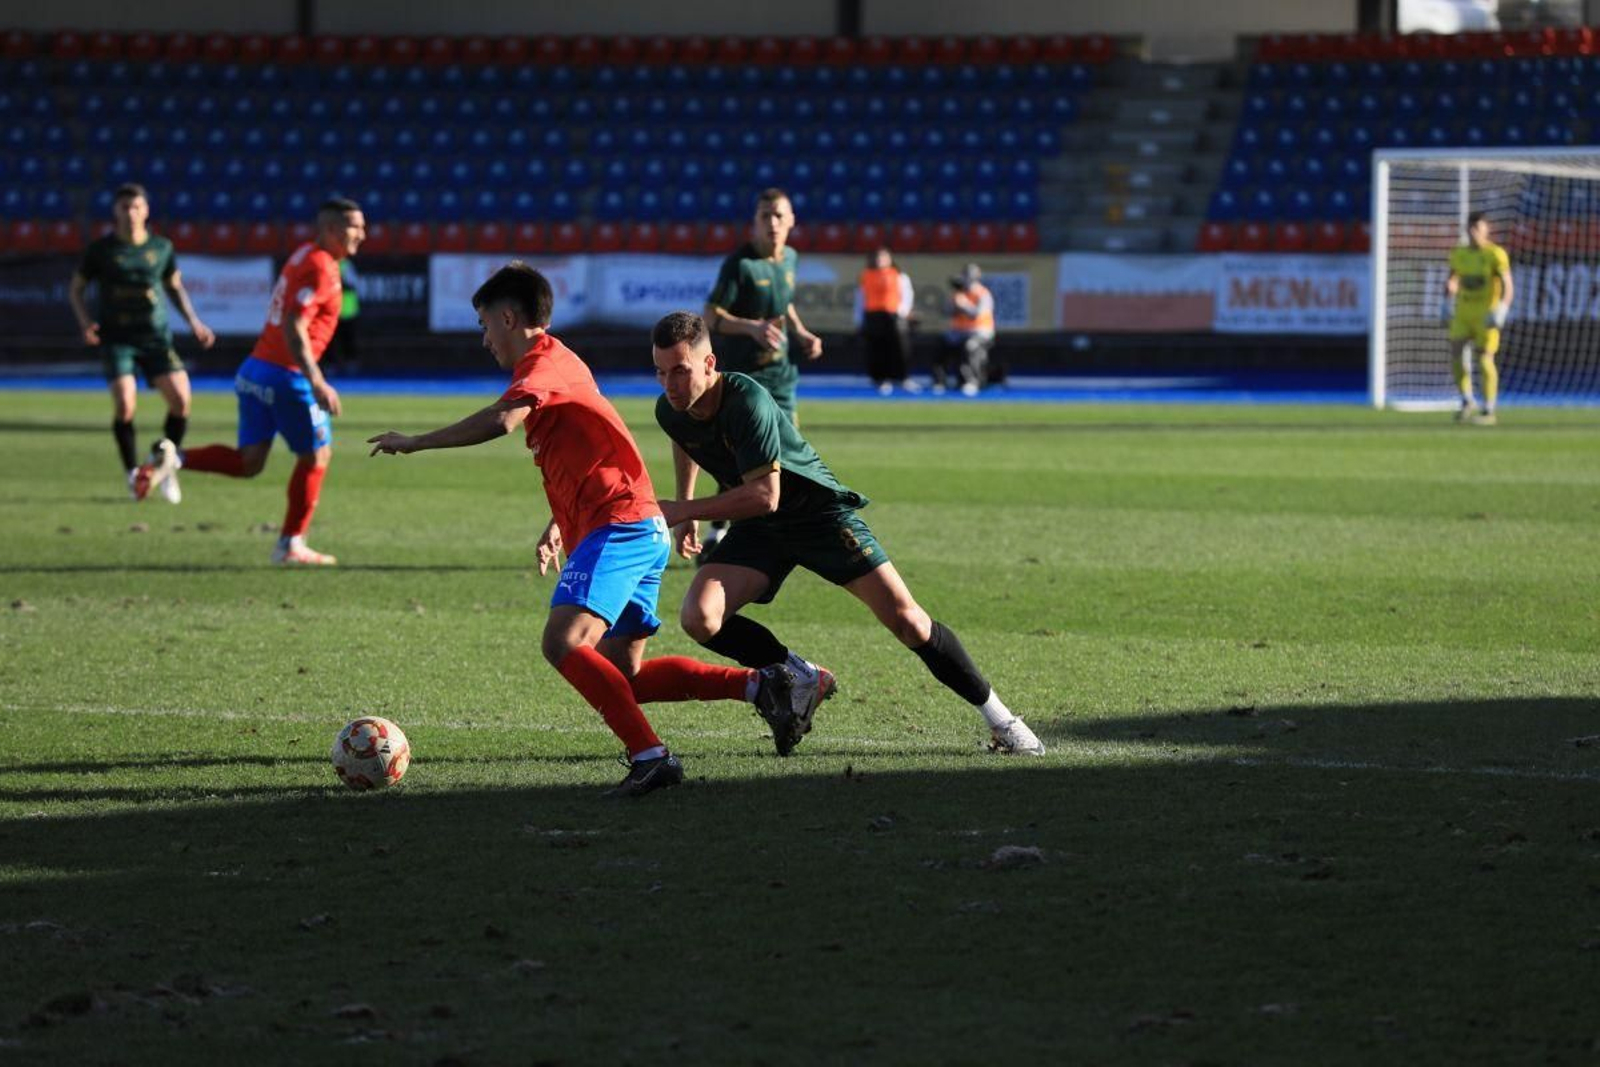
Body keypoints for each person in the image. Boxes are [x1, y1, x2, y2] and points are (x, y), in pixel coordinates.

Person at [366, 264, 811, 797]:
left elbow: (502, 420)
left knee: (563, 641)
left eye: (486, 325)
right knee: (623, 678)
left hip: (620, 526)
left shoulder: (544, 361)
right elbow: (593, 443)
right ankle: (762, 685)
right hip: (632, 525)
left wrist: (417, 442)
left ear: (509, 317)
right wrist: (559, 522)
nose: (485, 339)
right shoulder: (556, 366)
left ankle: (651, 756)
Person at [651, 311, 1046, 757]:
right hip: (763, 528)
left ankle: (1003, 721)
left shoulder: (747, 401)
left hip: (817, 515)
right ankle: (801, 675)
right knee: (699, 618)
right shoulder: (671, 408)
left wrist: (684, 508)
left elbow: (765, 495)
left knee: (909, 621)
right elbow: (685, 439)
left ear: (709, 363)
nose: (670, 384)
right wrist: (687, 509)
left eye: (681, 371)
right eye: (661, 372)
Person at [137, 198, 365, 565]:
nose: (363, 235)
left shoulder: (304, 254)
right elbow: (294, 324)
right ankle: (290, 544)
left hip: (255, 370)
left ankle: (173, 458)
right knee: (316, 455)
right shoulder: (320, 266)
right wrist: (317, 380)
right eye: (355, 227)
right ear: (331, 230)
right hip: (286, 377)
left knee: (250, 462)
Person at [68, 182, 216, 502]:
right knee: (125, 404)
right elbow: (76, 288)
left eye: (136, 207)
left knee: (181, 400)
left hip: (155, 338)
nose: (131, 213)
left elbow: (174, 287)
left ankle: (163, 466)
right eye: (124, 207)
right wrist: (85, 322)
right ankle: (132, 473)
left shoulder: (161, 248)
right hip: (117, 337)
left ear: (146, 211)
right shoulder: (101, 250)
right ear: (115, 211)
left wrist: (194, 322)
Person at [700, 188, 824, 559]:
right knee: (742, 462)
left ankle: (782, 533)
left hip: (782, 375)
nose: (772, 223)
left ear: (791, 221)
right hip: (745, 377)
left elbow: (784, 303)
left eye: (778, 215)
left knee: (790, 454)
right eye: (764, 216)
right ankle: (717, 531)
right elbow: (711, 316)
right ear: (754, 222)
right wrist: (751, 328)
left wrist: (800, 332)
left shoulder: (790, 259)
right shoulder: (740, 265)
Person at [1443, 211, 1514, 425]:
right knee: (1456, 353)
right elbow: (1452, 280)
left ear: (1486, 230)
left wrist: (1502, 308)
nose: (1474, 233)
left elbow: (1508, 285)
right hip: (1464, 314)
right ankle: (1466, 400)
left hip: (1486, 315)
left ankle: (1489, 409)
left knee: (1484, 359)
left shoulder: (1495, 254)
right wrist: (1446, 301)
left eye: (1478, 228)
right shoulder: (1459, 254)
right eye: (1471, 228)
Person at [855, 246, 919, 396]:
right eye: (877, 257)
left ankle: (902, 378)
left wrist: (901, 311)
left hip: (893, 316)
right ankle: (881, 379)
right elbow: (860, 298)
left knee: (899, 349)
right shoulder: (866, 275)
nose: (880, 260)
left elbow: (907, 294)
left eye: (883, 257)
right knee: (877, 349)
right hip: (873, 315)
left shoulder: (898, 275)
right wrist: (858, 318)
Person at [935, 263, 996, 398]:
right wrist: (953, 303)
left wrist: (964, 304)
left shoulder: (983, 294)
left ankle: (972, 381)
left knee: (969, 346)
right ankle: (940, 381)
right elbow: (946, 312)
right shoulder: (959, 293)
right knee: (941, 345)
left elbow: (976, 315)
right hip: (959, 332)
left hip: (980, 332)